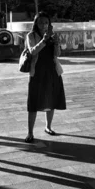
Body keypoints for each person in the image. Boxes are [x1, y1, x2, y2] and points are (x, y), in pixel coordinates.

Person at [25, 11, 66, 143]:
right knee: (33, 102)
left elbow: (58, 54)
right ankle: (30, 133)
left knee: (52, 99)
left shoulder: (53, 36)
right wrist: (44, 40)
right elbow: (32, 51)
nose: (44, 25)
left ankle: (48, 126)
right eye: (41, 22)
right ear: (36, 23)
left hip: (52, 71)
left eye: (46, 22)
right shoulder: (30, 35)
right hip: (37, 72)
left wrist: (56, 43)